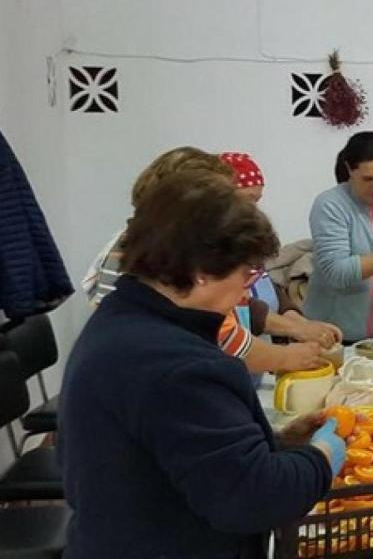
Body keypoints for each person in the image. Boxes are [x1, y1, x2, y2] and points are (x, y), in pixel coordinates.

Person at [59, 169, 346, 558]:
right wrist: (322, 458)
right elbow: (252, 498)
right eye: (246, 274)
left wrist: (271, 443)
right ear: (201, 272)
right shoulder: (176, 366)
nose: (246, 292)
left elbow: (181, 451)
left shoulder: (121, 319)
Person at [82, 147, 331, 374]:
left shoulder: (165, 258)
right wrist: (286, 356)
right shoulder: (141, 267)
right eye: (226, 203)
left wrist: (292, 323)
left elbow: (238, 310)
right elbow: (222, 339)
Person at [217, 151, 343, 349]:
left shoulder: (246, 243)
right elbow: (244, 312)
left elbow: (267, 290)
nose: (254, 210)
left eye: (257, 201)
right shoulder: (211, 257)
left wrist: (303, 324)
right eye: (247, 200)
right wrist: (295, 334)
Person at [303, 132, 373, 343]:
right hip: (331, 336)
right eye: (368, 179)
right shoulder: (330, 205)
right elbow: (337, 272)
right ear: (349, 170)